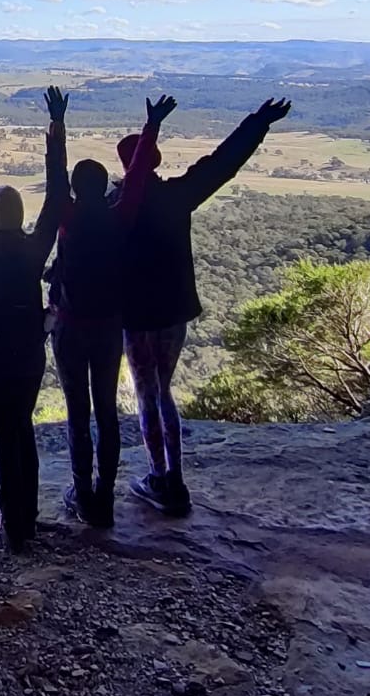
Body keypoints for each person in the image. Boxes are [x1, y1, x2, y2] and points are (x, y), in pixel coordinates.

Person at [121, 96, 292, 516]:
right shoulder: (178, 196)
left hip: (137, 316)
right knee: (164, 391)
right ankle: (174, 479)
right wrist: (258, 122)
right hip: (174, 311)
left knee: (147, 394)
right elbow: (222, 163)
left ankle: (160, 476)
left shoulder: (116, 208)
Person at [46, 91, 173, 529]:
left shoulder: (67, 217)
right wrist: (151, 125)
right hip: (107, 329)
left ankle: (83, 493)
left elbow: (54, 174)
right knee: (105, 411)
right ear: (104, 187)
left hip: (68, 326)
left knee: (77, 413)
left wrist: (57, 122)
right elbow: (137, 177)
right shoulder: (119, 216)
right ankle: (104, 495)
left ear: (76, 190)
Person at [0, 85, 73, 551]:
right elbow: (56, 196)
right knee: (22, 429)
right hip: (30, 352)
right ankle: (22, 518)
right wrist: (56, 131)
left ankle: (12, 523)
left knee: (4, 430)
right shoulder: (34, 251)